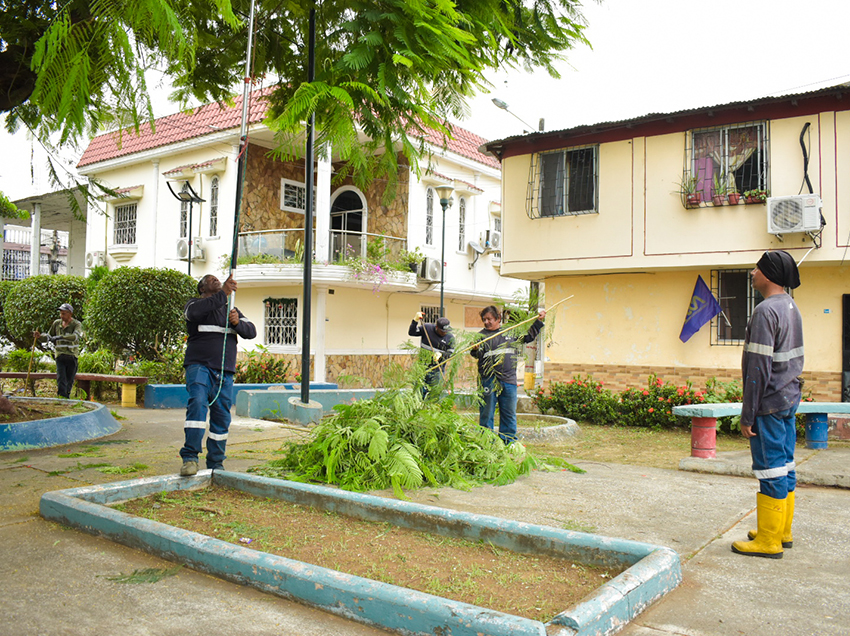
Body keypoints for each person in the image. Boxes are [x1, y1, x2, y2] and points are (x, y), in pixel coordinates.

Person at [731, 250, 804, 559]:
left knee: (770, 469)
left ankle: (769, 542)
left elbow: (758, 369)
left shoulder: (765, 311)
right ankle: (780, 531)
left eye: (757, 268)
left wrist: (748, 415)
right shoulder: (790, 306)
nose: (752, 273)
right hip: (787, 399)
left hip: (769, 405)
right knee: (785, 464)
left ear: (769, 274)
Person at [179, 274, 256, 476]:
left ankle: (215, 463)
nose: (215, 279)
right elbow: (195, 313)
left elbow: (251, 331)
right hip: (199, 367)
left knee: (222, 417)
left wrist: (238, 323)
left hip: (225, 371)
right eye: (209, 279)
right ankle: (190, 458)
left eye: (217, 278)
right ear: (202, 288)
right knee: (197, 405)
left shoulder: (231, 309)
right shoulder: (194, 304)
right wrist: (224, 292)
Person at [470, 305, 545, 444]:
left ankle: (508, 441)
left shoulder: (511, 332)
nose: (486, 322)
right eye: (484, 319)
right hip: (488, 380)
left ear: (498, 318)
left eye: (489, 319)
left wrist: (538, 322)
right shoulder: (480, 336)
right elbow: (476, 354)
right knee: (486, 413)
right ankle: (487, 443)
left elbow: (528, 337)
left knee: (509, 414)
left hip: (508, 380)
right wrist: (475, 349)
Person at [34, 303, 83, 399]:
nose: (61, 316)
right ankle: (61, 398)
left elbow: (75, 336)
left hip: (72, 355)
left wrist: (60, 337)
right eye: (61, 313)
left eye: (64, 313)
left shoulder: (76, 324)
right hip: (60, 355)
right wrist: (40, 337)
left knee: (69, 379)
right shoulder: (57, 323)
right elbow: (49, 336)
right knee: (61, 378)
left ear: (70, 314)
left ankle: (66, 397)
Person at [408, 313, 454, 398]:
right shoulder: (427, 329)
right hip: (422, 369)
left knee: (434, 397)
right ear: (437, 327)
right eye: (442, 331)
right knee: (417, 396)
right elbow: (412, 332)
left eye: (446, 331)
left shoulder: (450, 338)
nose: (445, 333)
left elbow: (450, 354)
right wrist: (415, 321)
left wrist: (441, 355)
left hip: (437, 371)